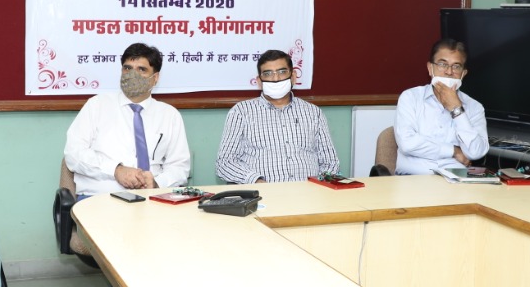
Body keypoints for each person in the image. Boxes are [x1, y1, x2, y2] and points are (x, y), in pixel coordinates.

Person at [64, 42, 190, 196]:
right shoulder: (96, 105)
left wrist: (157, 183)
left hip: (152, 199)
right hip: (99, 199)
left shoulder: (169, 115)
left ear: (155, 78)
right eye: (127, 68)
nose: (132, 75)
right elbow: (73, 153)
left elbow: (179, 166)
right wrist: (116, 170)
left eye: (141, 69)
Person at [215, 49, 339, 184]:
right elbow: (225, 163)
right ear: (259, 81)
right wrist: (256, 181)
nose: (275, 79)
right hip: (261, 193)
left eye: (282, 72)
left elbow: (330, 162)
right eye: (268, 74)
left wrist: (319, 185)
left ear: (293, 76)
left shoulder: (313, 112)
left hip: (309, 193)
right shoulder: (241, 112)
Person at [394, 38, 489, 175]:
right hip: (412, 178)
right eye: (442, 64)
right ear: (430, 68)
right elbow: (407, 144)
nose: (449, 72)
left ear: (463, 74)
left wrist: (457, 109)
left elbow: (476, 152)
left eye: (456, 66)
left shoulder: (475, 107)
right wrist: (454, 151)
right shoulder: (410, 97)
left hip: (456, 181)